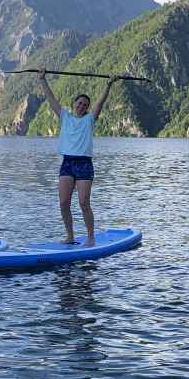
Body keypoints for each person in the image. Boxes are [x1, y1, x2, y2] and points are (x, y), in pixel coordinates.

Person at [38, 71, 118, 247]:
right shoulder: (65, 116)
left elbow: (100, 103)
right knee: (64, 202)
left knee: (83, 202)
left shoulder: (90, 119)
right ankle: (70, 235)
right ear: (73, 104)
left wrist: (109, 84)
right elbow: (50, 99)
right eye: (79, 103)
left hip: (84, 164)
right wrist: (42, 79)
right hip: (67, 163)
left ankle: (91, 237)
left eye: (85, 104)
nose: (82, 106)